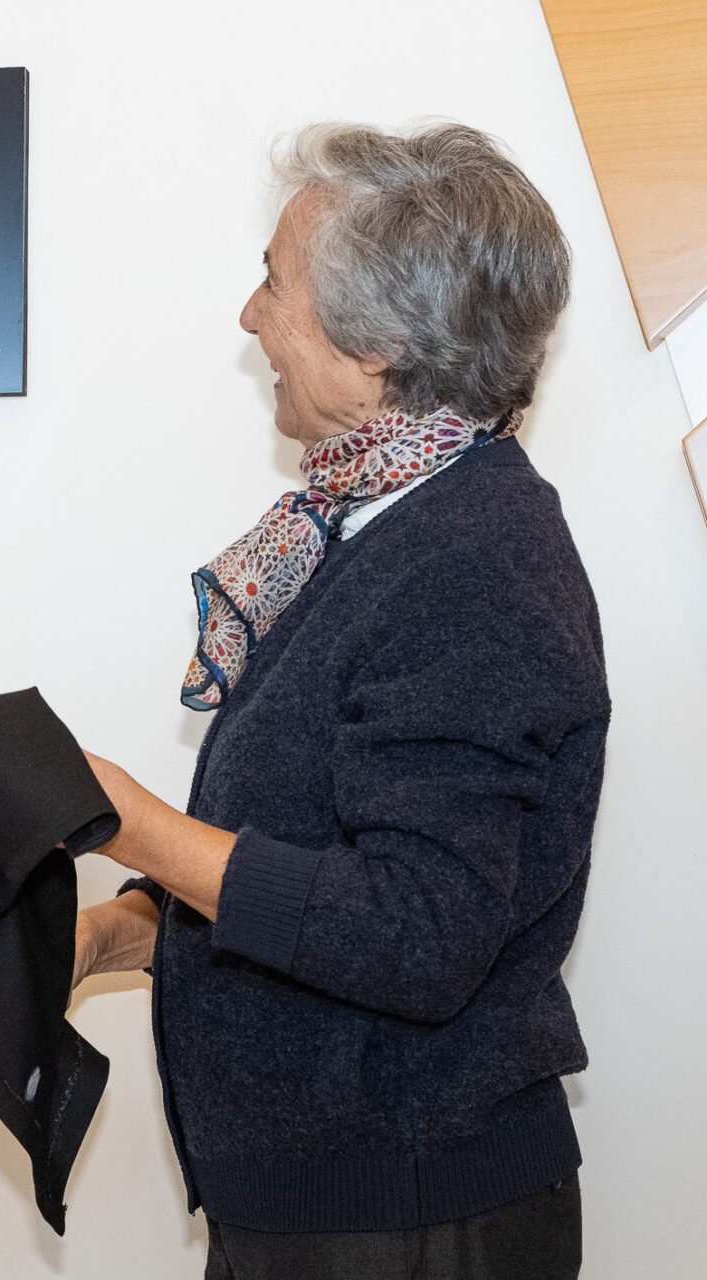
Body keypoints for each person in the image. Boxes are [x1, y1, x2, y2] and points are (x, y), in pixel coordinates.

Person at [70, 123, 605, 1279]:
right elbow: (318, 860)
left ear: (376, 347)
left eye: (274, 281)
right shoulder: (392, 524)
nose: (250, 317)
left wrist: (139, 825)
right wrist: (115, 931)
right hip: (341, 1217)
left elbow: (414, 929)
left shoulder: (474, 558)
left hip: (406, 1229)